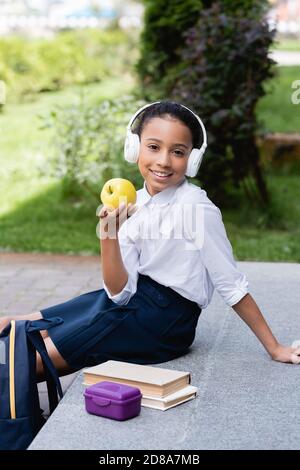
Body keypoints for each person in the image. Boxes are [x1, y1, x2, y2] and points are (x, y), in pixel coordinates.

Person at [1, 101, 299, 380]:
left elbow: (231, 285)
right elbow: (119, 293)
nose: (163, 161)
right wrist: (109, 235)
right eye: (153, 147)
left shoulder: (195, 208)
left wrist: (275, 347)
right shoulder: (135, 204)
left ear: (192, 159)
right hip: (136, 299)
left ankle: (10, 392)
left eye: (178, 152)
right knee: (29, 323)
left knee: (43, 356)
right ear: (135, 149)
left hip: (167, 322)